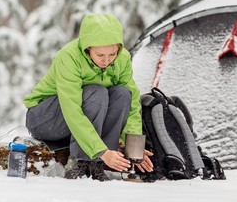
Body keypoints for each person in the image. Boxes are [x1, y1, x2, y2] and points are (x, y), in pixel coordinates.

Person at [23, 13, 153, 181]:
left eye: (112, 54)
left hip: (81, 118)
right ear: (87, 48)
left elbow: (133, 103)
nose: (106, 61)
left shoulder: (122, 59)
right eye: (100, 55)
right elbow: (72, 110)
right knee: (96, 92)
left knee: (122, 94)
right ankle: (80, 161)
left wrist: (134, 146)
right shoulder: (69, 57)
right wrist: (99, 150)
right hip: (44, 118)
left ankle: (99, 163)